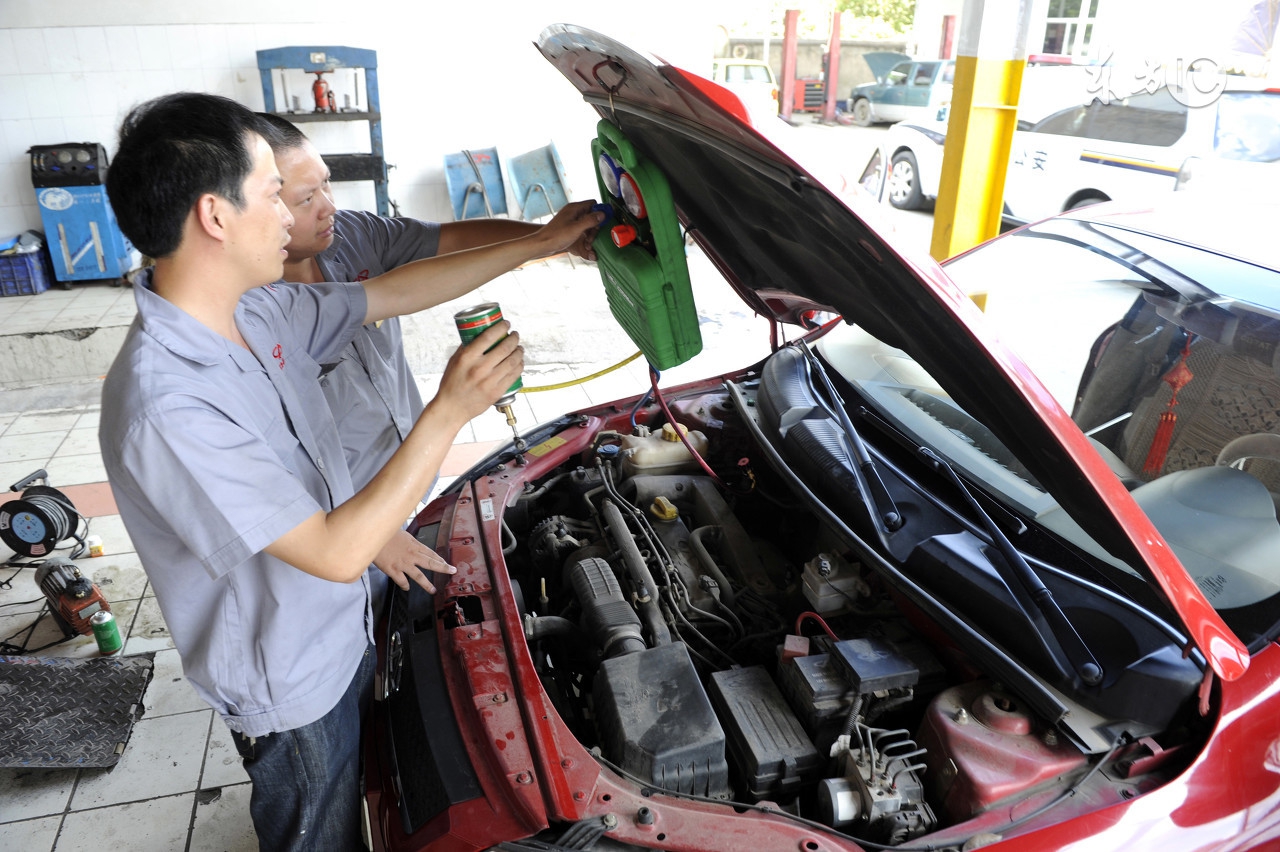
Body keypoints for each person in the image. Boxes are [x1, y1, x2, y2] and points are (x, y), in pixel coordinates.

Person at [98, 92, 600, 851]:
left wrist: (539, 244)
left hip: (346, 623)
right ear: (215, 215)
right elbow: (333, 553)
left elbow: (387, 292)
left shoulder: (253, 311)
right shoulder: (165, 403)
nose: (296, 215)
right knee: (318, 829)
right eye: (275, 193)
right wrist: (449, 410)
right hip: (291, 674)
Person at [256, 114, 594, 613]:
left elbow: (448, 243)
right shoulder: (256, 316)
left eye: (326, 184)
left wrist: (547, 237)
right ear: (257, 210)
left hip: (413, 481)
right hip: (342, 524)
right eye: (306, 200)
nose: (329, 206)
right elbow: (264, 473)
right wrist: (372, 537)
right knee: (376, 637)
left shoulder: (351, 236)